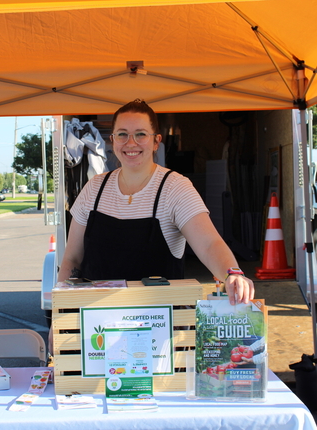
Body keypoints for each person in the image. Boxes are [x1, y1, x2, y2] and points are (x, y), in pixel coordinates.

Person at [51, 99, 254, 349]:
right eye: (122, 135)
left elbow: (210, 242)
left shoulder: (175, 188)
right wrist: (60, 315)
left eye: (140, 135)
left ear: (156, 141)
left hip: (159, 335)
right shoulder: (94, 189)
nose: (131, 143)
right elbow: (72, 260)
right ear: (112, 140)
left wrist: (232, 274)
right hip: (98, 331)